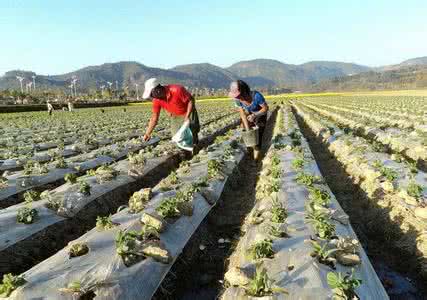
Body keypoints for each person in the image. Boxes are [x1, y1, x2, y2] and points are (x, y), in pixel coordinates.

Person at [142, 78, 200, 150]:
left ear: (157, 90)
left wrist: (187, 116)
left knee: (192, 131)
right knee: (176, 136)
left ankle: (195, 146)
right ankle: (185, 149)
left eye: (151, 94)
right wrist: (147, 133)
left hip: (188, 112)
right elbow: (154, 118)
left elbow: (191, 101)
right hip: (175, 115)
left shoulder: (177, 90)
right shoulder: (156, 100)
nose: (151, 96)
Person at [229, 80, 269, 159]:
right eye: (235, 96)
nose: (236, 98)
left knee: (258, 135)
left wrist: (255, 115)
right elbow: (242, 114)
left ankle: (256, 159)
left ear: (244, 91)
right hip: (249, 113)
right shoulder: (237, 100)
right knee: (246, 131)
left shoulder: (256, 96)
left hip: (260, 114)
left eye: (238, 95)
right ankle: (249, 150)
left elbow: (265, 108)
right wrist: (247, 129)